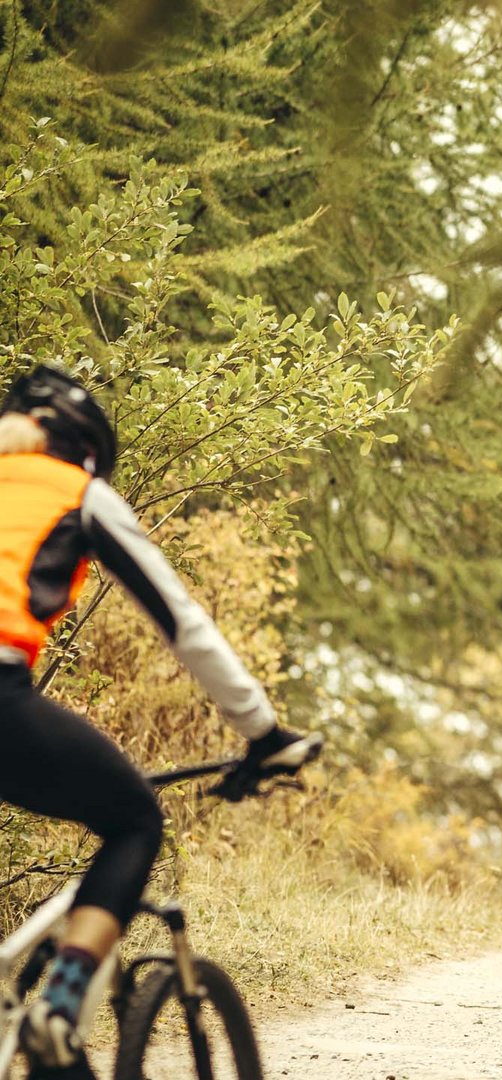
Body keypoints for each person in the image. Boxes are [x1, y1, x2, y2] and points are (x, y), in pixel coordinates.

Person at [0, 364, 314, 1075]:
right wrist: (262, 731)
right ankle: (59, 1006)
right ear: (81, 448)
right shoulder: (78, 493)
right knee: (135, 818)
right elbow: (183, 622)